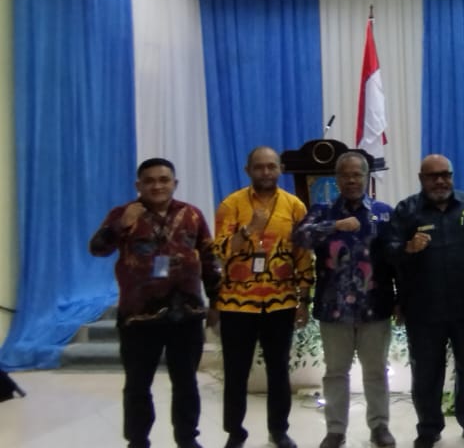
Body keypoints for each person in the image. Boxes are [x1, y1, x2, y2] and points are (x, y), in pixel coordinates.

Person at [89, 158, 221, 448]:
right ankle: (138, 441)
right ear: (138, 185)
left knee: (186, 383)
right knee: (137, 384)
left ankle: (187, 439)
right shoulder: (124, 213)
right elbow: (97, 248)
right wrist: (121, 225)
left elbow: (210, 258)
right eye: (149, 181)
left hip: (186, 313)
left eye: (164, 180)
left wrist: (215, 301)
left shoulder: (192, 215)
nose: (157, 186)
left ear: (175, 183)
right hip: (138, 316)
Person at [383, 154, 464, 448]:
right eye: (433, 176)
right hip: (423, 306)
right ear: (421, 179)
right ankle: (429, 428)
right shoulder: (407, 210)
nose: (440, 181)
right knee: (426, 372)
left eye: (445, 174)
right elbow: (388, 252)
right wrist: (408, 247)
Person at [291, 152, 397, 448]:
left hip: (375, 307)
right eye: (345, 175)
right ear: (337, 179)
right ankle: (335, 430)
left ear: (366, 177)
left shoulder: (384, 213)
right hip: (334, 309)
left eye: (357, 174)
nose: (351, 180)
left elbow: (396, 259)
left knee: (376, 372)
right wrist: (335, 226)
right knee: (336, 373)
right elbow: (299, 237)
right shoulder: (323, 211)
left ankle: (380, 426)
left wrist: (401, 300)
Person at [212, 146, 313, 448]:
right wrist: (249, 230)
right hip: (236, 304)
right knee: (236, 371)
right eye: (259, 167)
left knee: (278, 370)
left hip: (280, 302)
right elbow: (220, 251)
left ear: (280, 169)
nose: (266, 172)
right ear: (248, 171)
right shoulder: (231, 205)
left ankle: (279, 431)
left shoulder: (294, 206)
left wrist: (304, 300)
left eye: (271, 166)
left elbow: (303, 255)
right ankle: (235, 432)